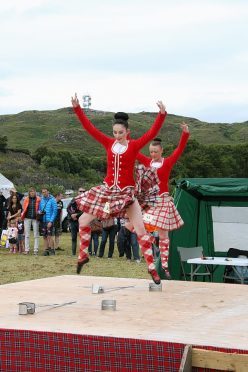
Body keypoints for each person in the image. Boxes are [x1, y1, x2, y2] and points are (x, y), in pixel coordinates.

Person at [71, 93, 167, 284]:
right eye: (114, 132)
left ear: (127, 131)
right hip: (107, 191)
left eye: (120, 133)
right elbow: (89, 128)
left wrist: (161, 115)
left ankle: (152, 269)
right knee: (83, 220)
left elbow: (150, 133)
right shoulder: (108, 143)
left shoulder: (134, 145)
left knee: (140, 229)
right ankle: (83, 256)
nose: (116, 135)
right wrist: (77, 109)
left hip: (126, 193)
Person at [129, 122, 190, 279]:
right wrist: (126, 135)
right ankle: (153, 241)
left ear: (161, 150)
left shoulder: (168, 162)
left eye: (155, 152)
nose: (153, 154)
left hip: (162, 202)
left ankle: (164, 266)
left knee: (164, 235)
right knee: (131, 225)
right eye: (151, 152)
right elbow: (134, 151)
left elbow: (179, 150)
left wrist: (185, 134)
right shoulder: (147, 162)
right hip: (149, 202)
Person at [38, 187, 58, 256]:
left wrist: (51, 221)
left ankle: (52, 250)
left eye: (45, 192)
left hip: (49, 221)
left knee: (49, 236)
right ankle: (46, 250)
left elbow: (55, 212)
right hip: (43, 221)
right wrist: (40, 212)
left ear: (48, 192)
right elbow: (39, 209)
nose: (44, 193)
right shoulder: (41, 200)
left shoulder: (52, 200)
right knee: (44, 236)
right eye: (43, 192)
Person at [21, 187, 41, 255]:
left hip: (35, 218)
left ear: (35, 192)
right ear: (29, 193)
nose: (32, 193)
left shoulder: (38, 199)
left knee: (36, 234)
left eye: (33, 191)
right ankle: (27, 249)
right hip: (27, 218)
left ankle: (36, 250)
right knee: (27, 234)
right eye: (31, 192)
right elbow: (24, 208)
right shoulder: (26, 199)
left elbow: (40, 208)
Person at [67, 188, 85, 256]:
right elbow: (68, 208)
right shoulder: (74, 199)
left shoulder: (86, 200)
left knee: (82, 238)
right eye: (80, 191)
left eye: (83, 191)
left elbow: (85, 211)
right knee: (73, 237)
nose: (82, 192)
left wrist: (76, 215)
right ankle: (73, 253)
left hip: (82, 221)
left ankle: (82, 253)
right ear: (78, 192)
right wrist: (72, 214)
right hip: (73, 221)